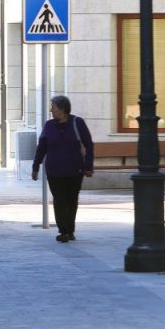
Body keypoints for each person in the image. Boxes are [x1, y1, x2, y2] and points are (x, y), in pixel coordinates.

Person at [32, 95, 94, 243]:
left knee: (72, 200)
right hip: (54, 171)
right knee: (59, 200)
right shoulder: (49, 125)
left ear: (62, 109)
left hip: (75, 170)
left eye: (53, 107)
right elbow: (41, 147)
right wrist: (36, 167)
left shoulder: (77, 123)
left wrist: (88, 166)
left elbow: (89, 145)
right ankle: (63, 231)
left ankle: (70, 230)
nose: (51, 110)